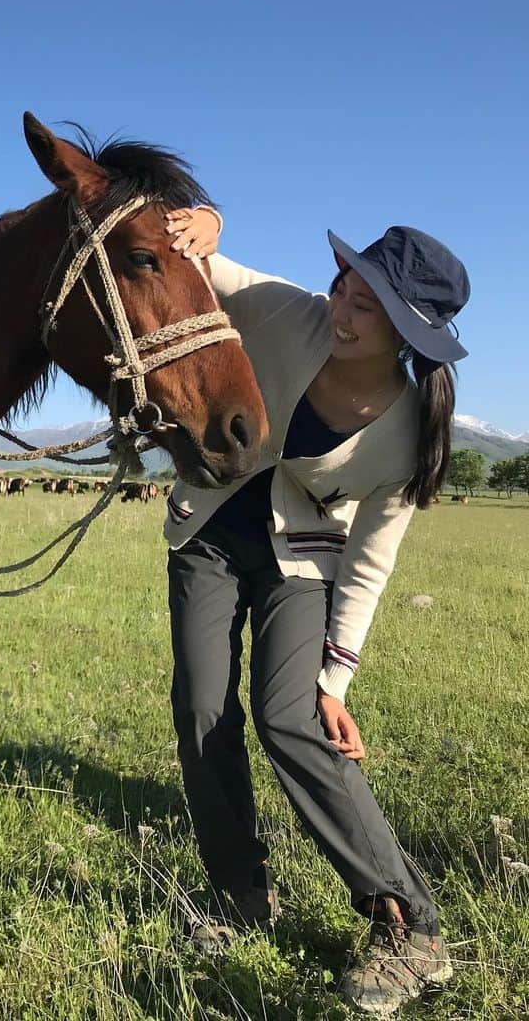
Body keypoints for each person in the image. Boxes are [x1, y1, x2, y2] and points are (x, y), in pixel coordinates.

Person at [160, 206, 469, 1016]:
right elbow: (207, 268)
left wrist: (336, 679)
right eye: (345, 287)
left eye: (366, 306)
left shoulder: (408, 433)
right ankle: (239, 897)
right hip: (206, 534)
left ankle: (410, 923)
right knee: (200, 708)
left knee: (290, 717)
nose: (342, 308)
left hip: (302, 559)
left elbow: (369, 561)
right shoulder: (290, 309)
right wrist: (208, 222)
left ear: (406, 331)